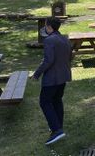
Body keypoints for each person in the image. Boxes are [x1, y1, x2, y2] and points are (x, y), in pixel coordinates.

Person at [31, 17, 72, 145]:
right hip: (63, 76)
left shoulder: (49, 40)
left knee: (44, 102)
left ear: (49, 27)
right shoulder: (65, 38)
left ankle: (56, 130)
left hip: (52, 79)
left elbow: (48, 61)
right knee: (56, 100)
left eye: (45, 25)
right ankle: (58, 126)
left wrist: (36, 74)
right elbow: (70, 56)